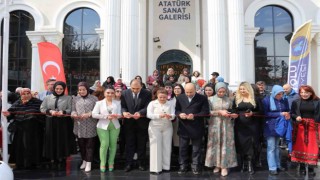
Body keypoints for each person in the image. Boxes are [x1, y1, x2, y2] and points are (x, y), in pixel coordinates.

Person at [2, 88, 45, 169]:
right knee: (21, 146)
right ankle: (21, 163)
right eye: (24, 94)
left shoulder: (37, 102)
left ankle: (34, 162)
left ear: (30, 94)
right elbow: (11, 112)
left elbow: (42, 113)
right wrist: (8, 114)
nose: (26, 95)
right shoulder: (18, 102)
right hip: (21, 129)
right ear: (21, 95)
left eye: (28, 93)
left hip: (34, 130)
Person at [40, 81, 77, 169]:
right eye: (57, 88)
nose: (59, 90)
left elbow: (70, 109)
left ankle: (63, 158)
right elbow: (42, 108)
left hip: (64, 122)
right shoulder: (47, 98)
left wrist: (63, 112)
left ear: (64, 89)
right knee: (52, 139)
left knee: (62, 140)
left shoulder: (68, 98)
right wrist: (50, 111)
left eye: (61, 89)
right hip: (51, 121)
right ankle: (54, 158)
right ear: (54, 88)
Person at [175, 83, 210, 175]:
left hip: (197, 126)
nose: (189, 94)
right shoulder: (180, 98)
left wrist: (194, 116)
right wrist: (180, 114)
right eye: (187, 92)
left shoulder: (202, 98)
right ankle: (183, 165)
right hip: (184, 126)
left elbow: (205, 112)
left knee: (196, 149)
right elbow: (176, 110)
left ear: (195, 90)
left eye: (191, 92)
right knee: (183, 148)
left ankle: (195, 165)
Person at [205, 82, 238, 177]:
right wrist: (219, 112)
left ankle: (224, 166)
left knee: (225, 144)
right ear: (216, 90)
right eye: (219, 91)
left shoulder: (230, 100)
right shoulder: (210, 99)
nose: (221, 93)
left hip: (227, 125)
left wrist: (233, 115)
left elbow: (232, 110)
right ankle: (217, 165)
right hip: (215, 124)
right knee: (216, 143)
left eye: (223, 91)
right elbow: (208, 112)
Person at [121, 79, 152, 172]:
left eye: (137, 88)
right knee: (129, 144)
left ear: (141, 86)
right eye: (133, 88)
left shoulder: (147, 93)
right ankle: (128, 163)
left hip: (141, 122)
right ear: (130, 86)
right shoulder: (125, 93)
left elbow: (148, 106)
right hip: (129, 122)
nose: (135, 90)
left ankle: (141, 163)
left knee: (141, 144)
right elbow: (122, 106)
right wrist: (124, 112)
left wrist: (140, 112)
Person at [291, 85, 320, 176]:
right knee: (301, 146)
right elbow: (292, 113)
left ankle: (311, 167)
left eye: (306, 92)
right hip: (300, 127)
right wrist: (296, 117)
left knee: (312, 147)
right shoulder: (296, 102)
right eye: (302, 92)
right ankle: (302, 166)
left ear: (311, 93)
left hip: (313, 127)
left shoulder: (318, 101)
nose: (304, 94)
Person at [233, 82, 261, 175]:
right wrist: (232, 113)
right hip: (240, 126)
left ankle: (250, 164)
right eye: (240, 89)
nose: (242, 91)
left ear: (248, 89)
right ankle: (242, 164)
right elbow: (234, 110)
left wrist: (253, 113)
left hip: (252, 126)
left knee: (251, 144)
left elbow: (261, 111)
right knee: (241, 144)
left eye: (243, 89)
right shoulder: (236, 99)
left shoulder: (255, 99)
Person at [92, 86, 122, 172]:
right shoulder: (99, 103)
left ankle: (111, 162)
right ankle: (103, 163)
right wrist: (105, 116)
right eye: (108, 92)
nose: (110, 94)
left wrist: (117, 116)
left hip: (115, 126)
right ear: (104, 93)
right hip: (102, 126)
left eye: (112, 93)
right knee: (104, 145)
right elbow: (94, 114)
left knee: (113, 145)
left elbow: (120, 114)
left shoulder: (118, 103)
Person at [262, 85, 290, 176]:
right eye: (278, 94)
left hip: (280, 126)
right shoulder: (266, 100)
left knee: (277, 147)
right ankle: (272, 167)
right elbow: (265, 113)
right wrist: (280, 113)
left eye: (282, 94)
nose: (280, 96)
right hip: (270, 126)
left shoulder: (284, 100)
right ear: (274, 93)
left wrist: (287, 114)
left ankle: (278, 165)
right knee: (271, 147)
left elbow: (287, 110)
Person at [71, 82, 98, 172]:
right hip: (79, 125)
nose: (81, 91)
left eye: (83, 90)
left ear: (87, 89)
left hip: (91, 124)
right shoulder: (75, 99)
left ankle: (89, 162)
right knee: (81, 145)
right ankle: (84, 160)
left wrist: (89, 114)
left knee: (90, 145)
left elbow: (97, 111)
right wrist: (74, 114)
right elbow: (73, 110)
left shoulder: (94, 98)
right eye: (80, 90)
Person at [147, 88, 175, 174]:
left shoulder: (170, 103)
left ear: (167, 96)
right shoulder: (152, 103)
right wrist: (159, 116)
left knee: (167, 146)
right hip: (155, 126)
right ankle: (155, 168)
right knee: (155, 147)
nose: (162, 99)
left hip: (167, 126)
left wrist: (170, 116)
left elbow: (174, 115)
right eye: (160, 97)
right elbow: (149, 115)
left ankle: (166, 167)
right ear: (157, 96)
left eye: (164, 97)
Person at [172, 84, 185, 152]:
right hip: (174, 120)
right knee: (175, 138)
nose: (176, 90)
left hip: (183, 119)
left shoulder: (185, 98)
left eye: (178, 88)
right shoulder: (171, 99)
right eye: (175, 89)